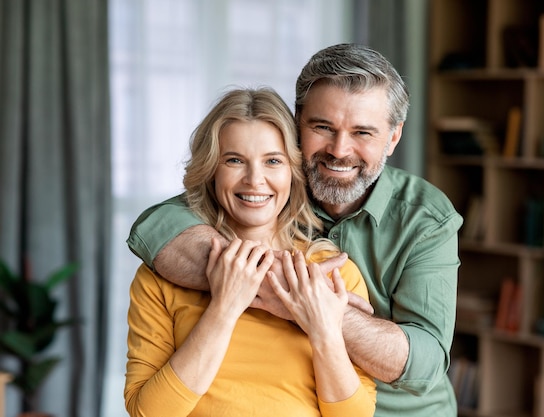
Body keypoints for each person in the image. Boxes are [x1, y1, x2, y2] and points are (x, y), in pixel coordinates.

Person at [127, 43, 463, 416]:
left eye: (363, 133)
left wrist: (313, 307)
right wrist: (287, 287)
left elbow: (423, 364)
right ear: (297, 122)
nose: (339, 150)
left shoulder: (426, 219)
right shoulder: (269, 183)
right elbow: (156, 226)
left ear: (393, 137)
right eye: (323, 127)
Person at [124, 87, 376, 417]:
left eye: (273, 161)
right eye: (234, 160)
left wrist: (323, 328)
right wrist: (224, 308)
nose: (255, 180)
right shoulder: (161, 276)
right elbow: (149, 413)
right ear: (212, 170)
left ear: (293, 172)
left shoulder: (332, 275)